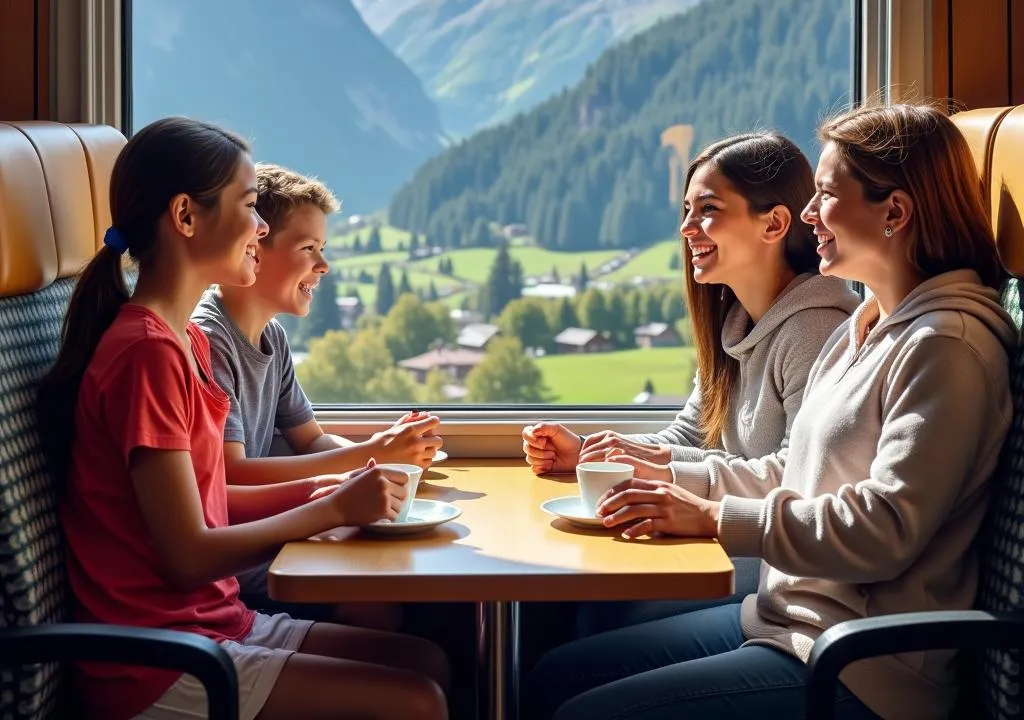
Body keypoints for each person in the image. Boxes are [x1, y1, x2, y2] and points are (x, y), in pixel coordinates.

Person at [528, 103, 1015, 720]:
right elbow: (792, 468)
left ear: (894, 212)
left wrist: (715, 518)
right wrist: (670, 479)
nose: (809, 215)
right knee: (556, 675)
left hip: (863, 666)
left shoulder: (947, 347)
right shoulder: (868, 326)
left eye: (827, 195)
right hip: (786, 619)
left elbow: (886, 530)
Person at [42, 117, 449, 720]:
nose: (261, 227)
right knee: (416, 702)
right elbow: (188, 555)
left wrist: (317, 488)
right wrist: (332, 509)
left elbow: (210, 502)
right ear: (185, 217)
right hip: (156, 661)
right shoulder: (147, 354)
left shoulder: (186, 344)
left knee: (426, 662)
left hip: (216, 621)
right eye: (251, 205)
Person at [523, 133, 857, 632]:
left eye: (707, 210)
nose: (686, 228)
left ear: (774, 223)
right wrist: (597, 453)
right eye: (685, 210)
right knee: (580, 605)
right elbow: (689, 436)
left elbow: (796, 476)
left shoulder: (816, 330)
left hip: (774, 565)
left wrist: (663, 472)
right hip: (734, 543)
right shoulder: (738, 322)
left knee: (601, 613)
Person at [193, 162, 441, 631]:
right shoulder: (211, 340)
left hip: (278, 534)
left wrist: (383, 469)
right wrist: (371, 454)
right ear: (254, 248)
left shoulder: (272, 337)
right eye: (308, 248)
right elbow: (231, 471)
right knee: (379, 600)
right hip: (245, 559)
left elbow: (311, 440)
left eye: (322, 249)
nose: (323, 265)